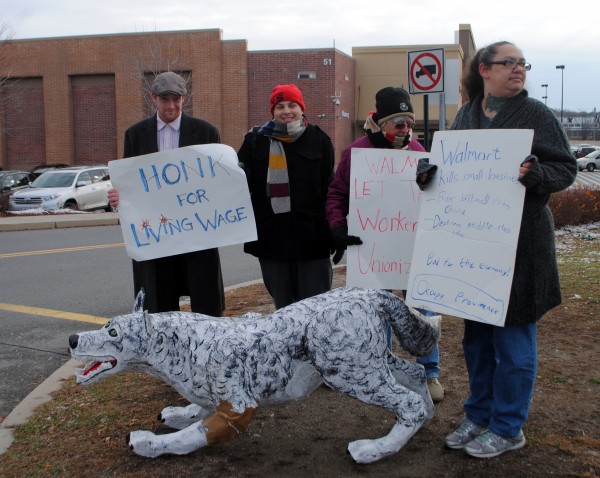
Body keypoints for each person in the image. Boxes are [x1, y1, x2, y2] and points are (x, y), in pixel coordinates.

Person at [422, 41, 577, 458]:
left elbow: (566, 168)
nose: (519, 69)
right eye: (509, 63)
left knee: (512, 341)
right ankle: (479, 414)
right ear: (484, 70)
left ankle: (508, 427)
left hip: (521, 249)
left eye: (522, 63)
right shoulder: (467, 115)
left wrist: (537, 174)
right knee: (477, 341)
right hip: (475, 248)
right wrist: (429, 174)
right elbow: (450, 172)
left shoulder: (536, 114)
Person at [326, 86, 445, 402]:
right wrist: (337, 227)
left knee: (422, 309)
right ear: (380, 123)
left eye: (409, 124)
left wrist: (429, 184)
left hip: (411, 249)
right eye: (399, 124)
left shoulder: (418, 150)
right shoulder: (357, 152)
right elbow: (337, 193)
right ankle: (386, 371)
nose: (405, 130)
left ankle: (429, 373)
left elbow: (432, 196)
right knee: (379, 313)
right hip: (374, 248)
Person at [108, 71, 225, 316]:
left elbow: (217, 183)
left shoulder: (206, 133)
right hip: (157, 233)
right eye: (164, 99)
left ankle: (205, 349)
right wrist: (121, 198)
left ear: (184, 98)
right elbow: (131, 181)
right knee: (158, 299)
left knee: (204, 299)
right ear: (154, 98)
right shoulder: (135, 135)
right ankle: (164, 348)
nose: (171, 106)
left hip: (196, 230)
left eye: (176, 99)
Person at [237, 84, 335, 310]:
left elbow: (329, 189)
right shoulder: (255, 141)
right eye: (279, 106)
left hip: (312, 240)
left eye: (292, 105)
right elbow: (238, 184)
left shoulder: (320, 140)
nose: (286, 111)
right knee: (283, 309)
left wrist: (336, 228)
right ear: (272, 111)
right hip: (273, 241)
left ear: (302, 108)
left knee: (316, 308)